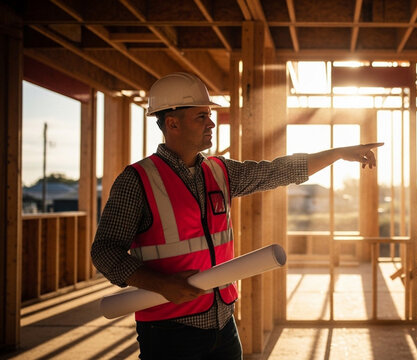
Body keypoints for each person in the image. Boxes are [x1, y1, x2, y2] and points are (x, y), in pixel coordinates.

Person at [91, 72, 381, 360]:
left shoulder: (220, 171)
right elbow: (104, 251)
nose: (211, 123)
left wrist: (339, 153)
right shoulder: (138, 180)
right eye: (201, 117)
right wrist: (162, 285)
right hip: (169, 331)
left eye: (209, 115)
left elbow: (278, 171)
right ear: (172, 123)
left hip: (224, 324)